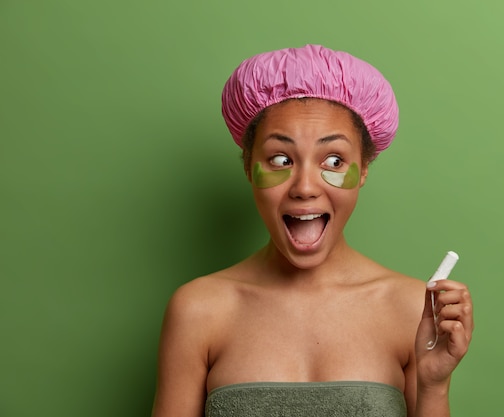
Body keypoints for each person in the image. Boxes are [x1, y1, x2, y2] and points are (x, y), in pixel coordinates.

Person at [151, 44, 474, 417]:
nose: (305, 186)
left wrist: (434, 385)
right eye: (280, 160)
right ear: (248, 167)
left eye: (334, 160)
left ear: (364, 169)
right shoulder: (198, 310)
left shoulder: (412, 308)